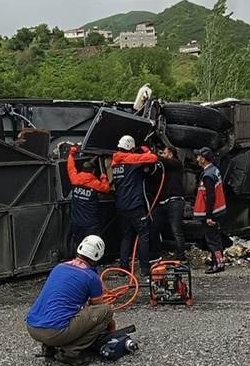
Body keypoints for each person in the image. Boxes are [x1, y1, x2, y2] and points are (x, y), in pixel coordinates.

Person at [25, 235, 115, 366]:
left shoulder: (59, 267)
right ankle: (69, 354)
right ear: (98, 256)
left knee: (60, 310)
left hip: (32, 327)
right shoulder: (91, 277)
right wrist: (111, 328)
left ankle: (49, 348)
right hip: (53, 333)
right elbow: (98, 308)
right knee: (106, 311)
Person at [112, 135, 158, 278]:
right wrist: (145, 150)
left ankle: (124, 267)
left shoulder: (115, 163)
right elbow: (153, 159)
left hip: (121, 206)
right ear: (130, 148)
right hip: (134, 205)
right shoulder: (130, 160)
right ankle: (144, 268)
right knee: (143, 234)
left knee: (126, 236)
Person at [67, 146, 111, 250]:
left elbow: (70, 167)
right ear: (92, 171)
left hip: (76, 221)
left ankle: (78, 263)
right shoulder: (95, 183)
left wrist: (71, 154)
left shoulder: (75, 179)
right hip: (90, 224)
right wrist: (104, 178)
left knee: (79, 246)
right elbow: (106, 189)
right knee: (92, 246)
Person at [149, 146, 187, 262]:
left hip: (175, 201)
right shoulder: (163, 169)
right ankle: (156, 255)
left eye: (164, 153)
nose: (163, 155)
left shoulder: (176, 164)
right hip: (163, 202)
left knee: (176, 230)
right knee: (154, 227)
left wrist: (153, 154)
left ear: (170, 154)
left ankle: (181, 256)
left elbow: (163, 160)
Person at [193, 147, 227, 274]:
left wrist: (208, 216)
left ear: (203, 158)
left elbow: (210, 197)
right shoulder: (215, 170)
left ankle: (218, 264)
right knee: (215, 237)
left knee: (213, 239)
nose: (196, 159)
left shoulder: (208, 175)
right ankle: (216, 260)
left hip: (212, 212)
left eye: (198, 157)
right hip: (218, 210)